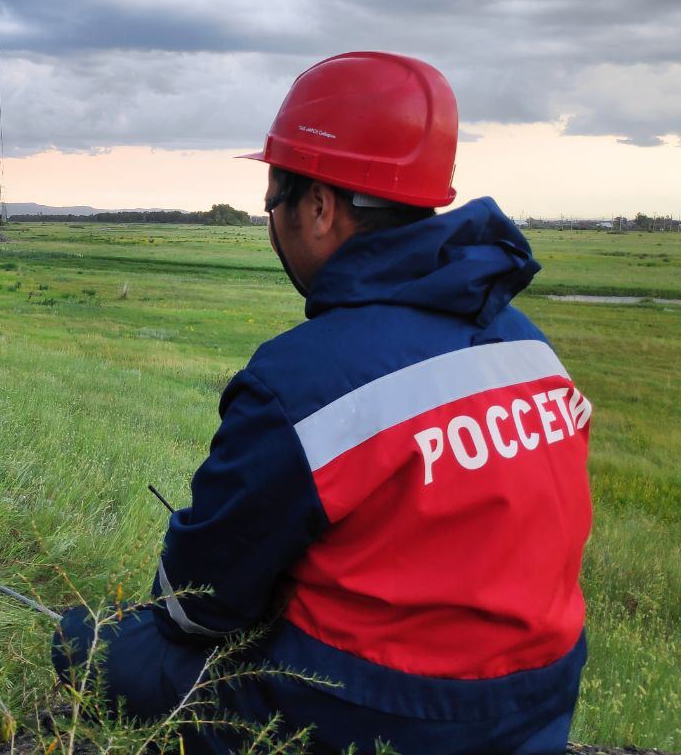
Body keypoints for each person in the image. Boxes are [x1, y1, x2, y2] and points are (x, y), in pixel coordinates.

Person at [52, 52, 593, 754]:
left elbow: (196, 603)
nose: (271, 219)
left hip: (384, 712)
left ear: (317, 207)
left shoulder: (301, 380)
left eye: (273, 199)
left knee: (98, 651)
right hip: (543, 698)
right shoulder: (526, 343)